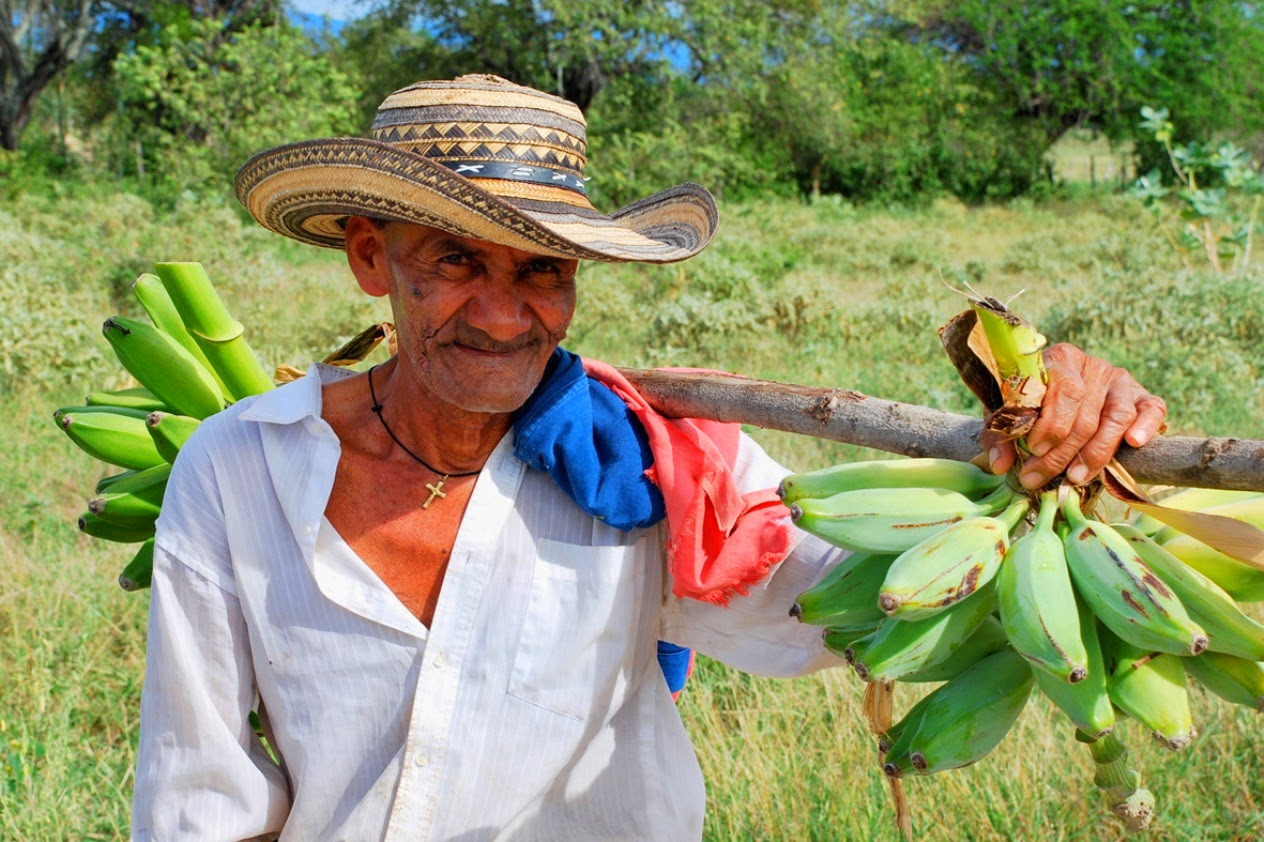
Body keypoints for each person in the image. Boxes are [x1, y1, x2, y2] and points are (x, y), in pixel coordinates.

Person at [130, 74, 1167, 841]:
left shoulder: (652, 468)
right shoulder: (239, 468)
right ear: (370, 256)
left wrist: (1050, 429)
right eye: (453, 260)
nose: (501, 313)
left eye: (542, 268)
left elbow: (855, 608)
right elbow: (199, 795)